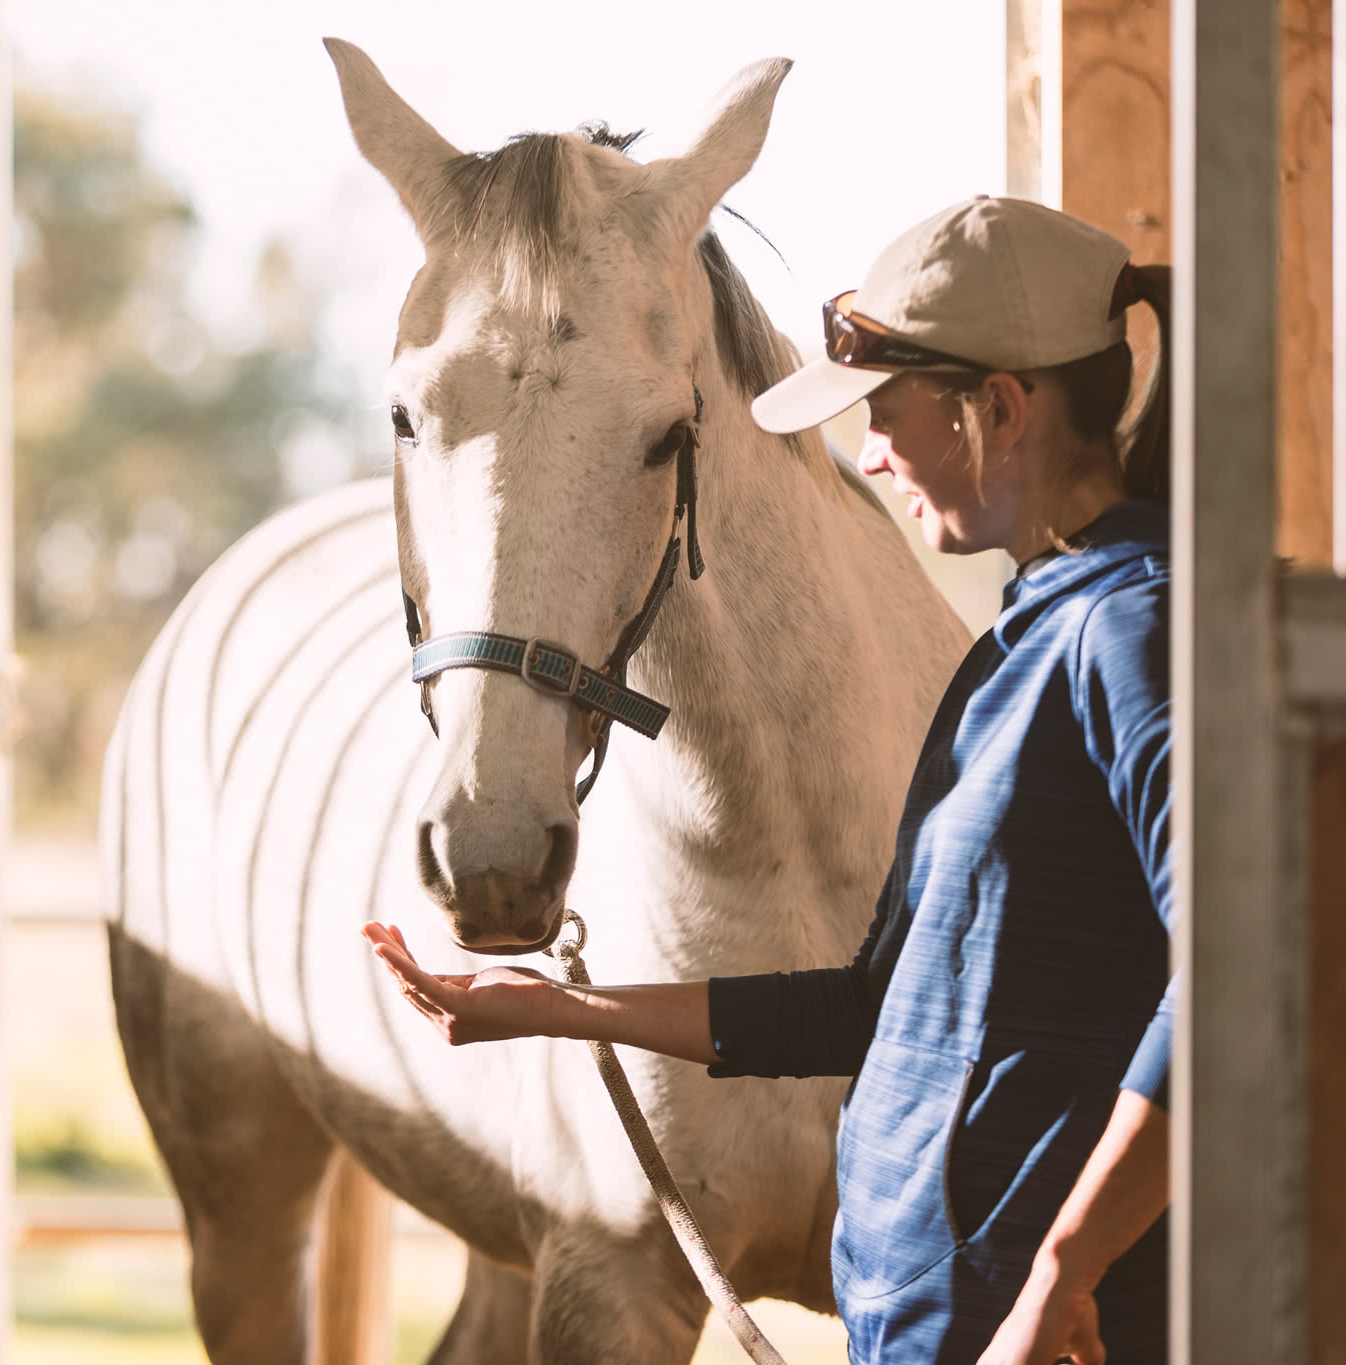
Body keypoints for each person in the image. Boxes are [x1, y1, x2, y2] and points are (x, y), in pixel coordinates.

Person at [363, 195, 1174, 1365]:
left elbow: (1234, 985)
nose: (873, 454)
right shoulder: (1021, 638)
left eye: (885, 417)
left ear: (997, 409)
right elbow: (866, 1007)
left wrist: (1064, 1266)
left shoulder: (1129, 636)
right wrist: (552, 1010)